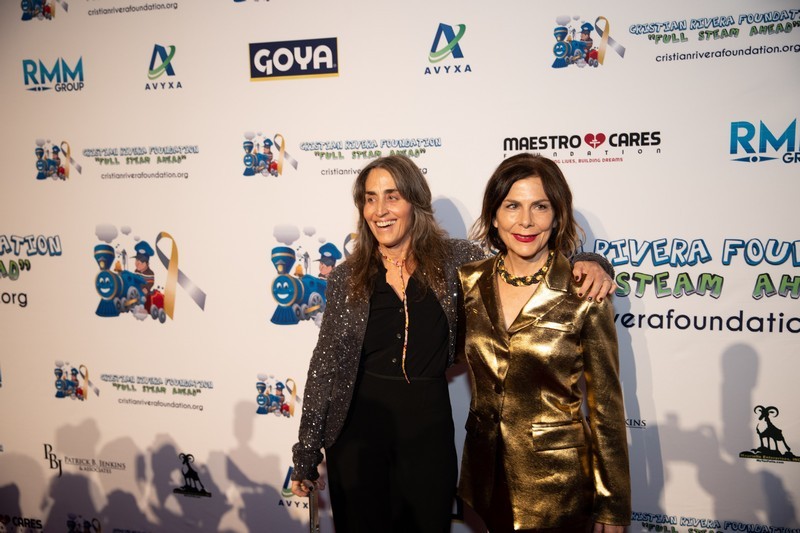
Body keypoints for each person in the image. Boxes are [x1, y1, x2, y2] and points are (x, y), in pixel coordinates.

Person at [290, 155, 616, 532]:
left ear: (415, 201)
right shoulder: (347, 277)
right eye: (370, 198)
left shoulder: (457, 261)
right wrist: (306, 453)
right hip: (356, 437)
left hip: (428, 432)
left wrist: (591, 262)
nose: (380, 210)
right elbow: (325, 368)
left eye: (393, 196)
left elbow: (524, 258)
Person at [458, 153, 630, 532]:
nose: (526, 221)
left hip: (559, 485)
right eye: (512, 206)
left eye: (540, 206)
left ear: (557, 216)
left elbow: (606, 407)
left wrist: (613, 504)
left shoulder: (585, 290)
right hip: (485, 478)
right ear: (494, 215)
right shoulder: (468, 281)